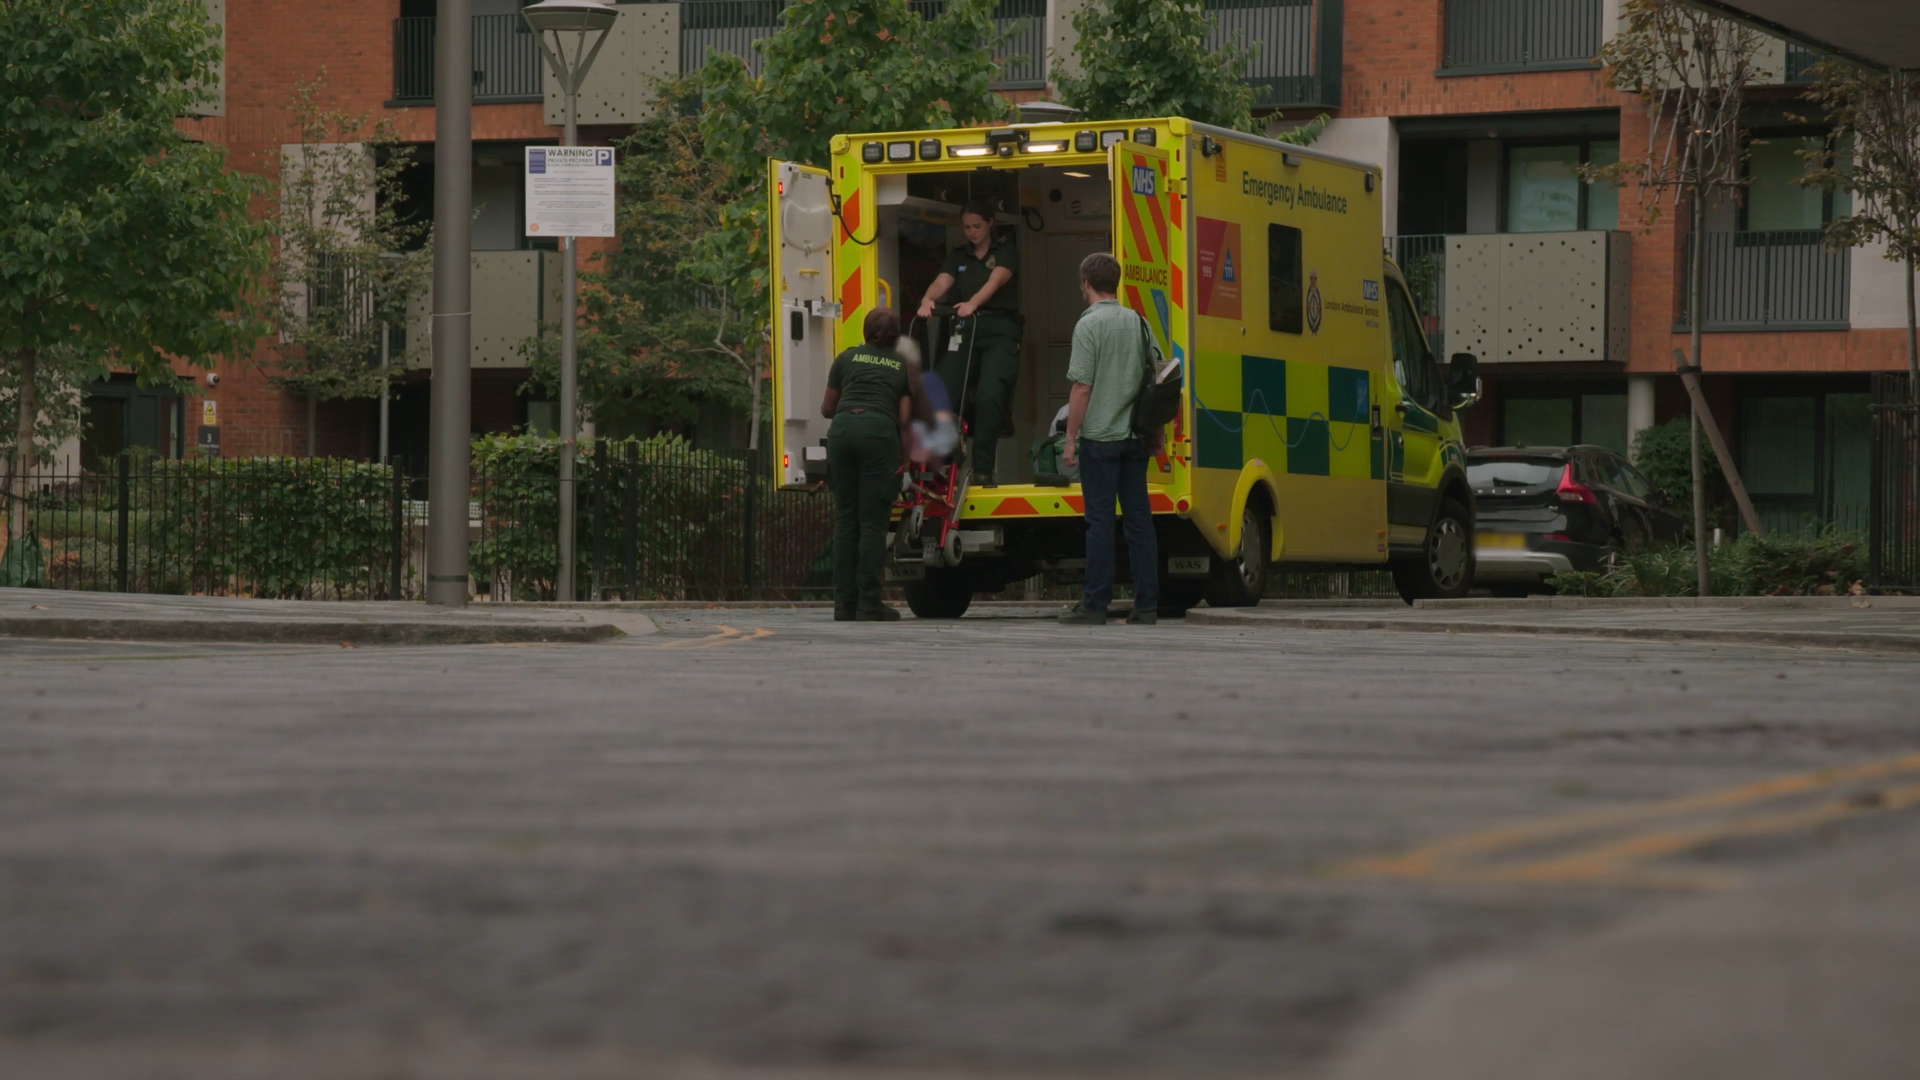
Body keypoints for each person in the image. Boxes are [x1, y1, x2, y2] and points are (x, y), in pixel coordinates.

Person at [1058, 252, 1160, 626]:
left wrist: (1071, 438)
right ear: (1115, 283)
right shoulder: (1140, 323)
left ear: (1086, 283)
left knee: (1099, 522)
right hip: (1135, 437)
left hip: (1100, 439)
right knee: (1139, 521)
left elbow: (1082, 387)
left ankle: (1095, 604)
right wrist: (1157, 433)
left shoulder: (1088, 325)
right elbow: (1158, 379)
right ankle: (1146, 605)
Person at [821, 308, 924, 622]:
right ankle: (869, 603)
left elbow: (827, 408)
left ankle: (843, 604)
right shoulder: (901, 366)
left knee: (846, 521)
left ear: (866, 331)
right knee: (873, 524)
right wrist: (905, 462)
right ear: (895, 336)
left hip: (841, 433)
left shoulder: (846, 358)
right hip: (878, 434)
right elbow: (904, 419)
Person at [917, 199, 1021, 488]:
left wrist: (973, 303)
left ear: (989, 223)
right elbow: (942, 281)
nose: (972, 232)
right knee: (944, 390)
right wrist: (928, 299)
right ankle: (942, 459)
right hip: (964, 326)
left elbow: (995, 281)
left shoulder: (1005, 250)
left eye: (977, 226)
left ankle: (983, 468)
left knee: (989, 395)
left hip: (999, 328)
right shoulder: (958, 254)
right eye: (967, 227)